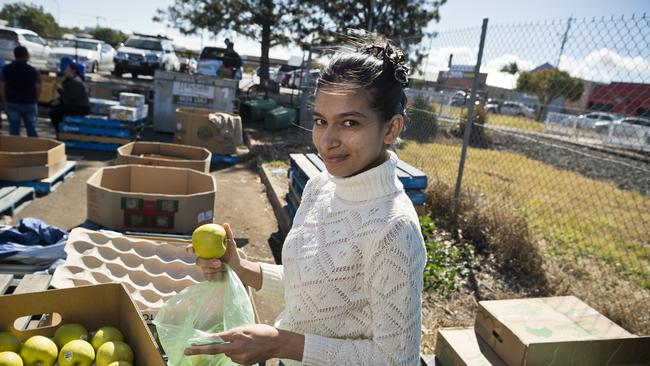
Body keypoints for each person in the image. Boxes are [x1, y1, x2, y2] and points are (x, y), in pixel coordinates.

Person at [185, 37, 426, 366]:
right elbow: (313, 288)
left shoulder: (394, 230)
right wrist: (243, 268)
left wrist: (281, 344)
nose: (327, 140)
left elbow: (395, 359)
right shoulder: (319, 188)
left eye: (350, 122)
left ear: (390, 129)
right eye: (320, 121)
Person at [0, 46, 41, 137]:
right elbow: (38, 87)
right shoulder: (33, 70)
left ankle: (15, 148)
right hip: (29, 102)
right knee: (31, 128)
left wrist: (4, 99)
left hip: (12, 101)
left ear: (15, 55)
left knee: (14, 129)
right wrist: (35, 99)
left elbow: (2, 85)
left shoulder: (6, 69)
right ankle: (34, 148)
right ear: (26, 55)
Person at [49, 63, 90, 135]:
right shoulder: (69, 80)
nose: (65, 71)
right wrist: (58, 100)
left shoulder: (77, 82)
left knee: (55, 113)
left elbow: (70, 96)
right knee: (52, 105)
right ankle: (61, 131)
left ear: (73, 71)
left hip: (80, 107)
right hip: (73, 104)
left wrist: (60, 89)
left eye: (67, 69)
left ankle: (61, 132)